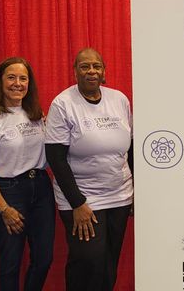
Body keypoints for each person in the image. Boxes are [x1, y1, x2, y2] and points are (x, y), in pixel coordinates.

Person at [45, 48, 133, 291]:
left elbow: (131, 148)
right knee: (88, 261)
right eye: (84, 66)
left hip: (119, 195)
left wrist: (135, 190)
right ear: (75, 72)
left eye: (96, 66)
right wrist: (77, 203)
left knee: (108, 263)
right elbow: (55, 158)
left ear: (104, 71)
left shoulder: (119, 100)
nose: (91, 71)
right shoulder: (63, 104)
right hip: (82, 199)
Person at [0, 57, 54, 291]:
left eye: (23, 78)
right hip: (7, 192)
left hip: (40, 188)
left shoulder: (37, 115)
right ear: (0, 82)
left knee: (44, 259)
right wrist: (4, 209)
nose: (17, 83)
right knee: (10, 263)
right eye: (11, 77)